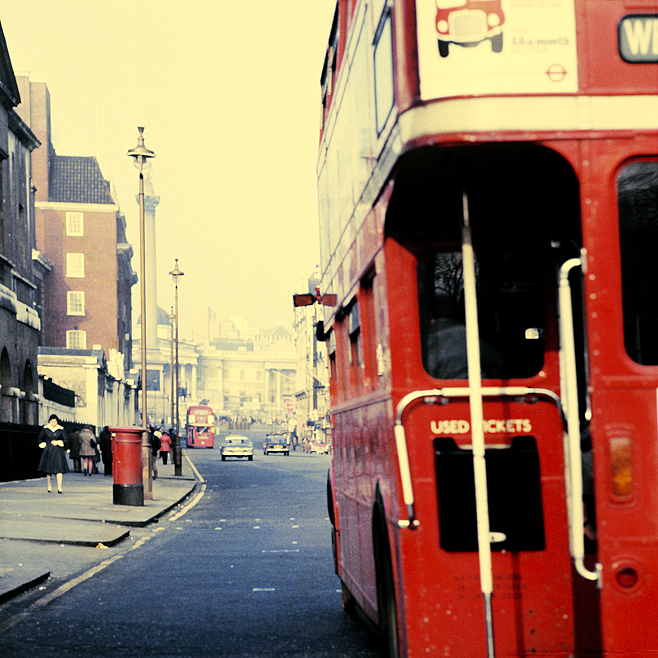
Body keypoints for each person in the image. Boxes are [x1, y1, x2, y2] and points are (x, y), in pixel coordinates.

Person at [37, 414, 70, 494]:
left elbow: (66, 439)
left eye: (55, 421)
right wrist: (43, 444)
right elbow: (40, 438)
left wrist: (59, 442)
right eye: (52, 421)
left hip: (58, 451)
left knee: (59, 470)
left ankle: (59, 487)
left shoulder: (61, 429)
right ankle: (49, 485)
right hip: (48, 450)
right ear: (49, 421)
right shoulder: (45, 429)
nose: (53, 423)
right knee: (48, 470)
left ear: (57, 421)